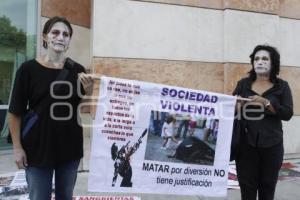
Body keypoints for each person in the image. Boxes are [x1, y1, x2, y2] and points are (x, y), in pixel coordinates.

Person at [8, 16, 94, 200]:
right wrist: (17, 148)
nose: (60, 37)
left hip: (69, 148)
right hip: (37, 149)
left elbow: (75, 108)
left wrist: (88, 91)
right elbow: (15, 112)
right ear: (45, 37)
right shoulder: (27, 70)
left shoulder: (77, 70)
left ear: (69, 40)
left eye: (66, 34)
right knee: (39, 197)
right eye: (55, 32)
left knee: (65, 196)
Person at [232, 45, 293, 200]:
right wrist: (237, 106)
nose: (260, 62)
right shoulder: (243, 84)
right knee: (247, 190)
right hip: (246, 146)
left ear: (273, 63)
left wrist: (266, 103)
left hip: (272, 146)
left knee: (267, 189)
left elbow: (287, 114)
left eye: (265, 58)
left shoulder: (282, 86)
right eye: (256, 58)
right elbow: (232, 110)